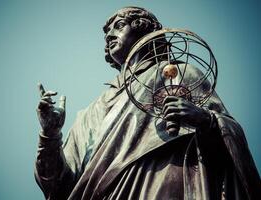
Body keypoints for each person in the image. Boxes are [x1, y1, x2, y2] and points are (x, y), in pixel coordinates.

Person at [35, 7, 261, 200]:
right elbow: (58, 187)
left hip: (160, 184)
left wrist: (206, 121)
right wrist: (50, 135)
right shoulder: (88, 115)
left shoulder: (178, 75)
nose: (109, 35)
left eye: (119, 25)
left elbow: (229, 143)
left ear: (144, 29)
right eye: (106, 32)